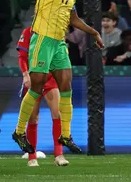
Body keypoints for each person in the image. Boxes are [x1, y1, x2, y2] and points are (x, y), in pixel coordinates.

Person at [13, 0, 104, 153]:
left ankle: (65, 135)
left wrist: (94, 33)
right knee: (37, 87)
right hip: (42, 41)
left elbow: (74, 20)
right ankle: (19, 131)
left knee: (66, 86)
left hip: (59, 44)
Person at [17, 26, 82, 167]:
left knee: (57, 114)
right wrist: (25, 74)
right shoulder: (28, 32)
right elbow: (22, 56)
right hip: (35, 78)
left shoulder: (57, 31)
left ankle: (59, 155)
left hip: (50, 79)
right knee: (33, 117)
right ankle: (32, 156)